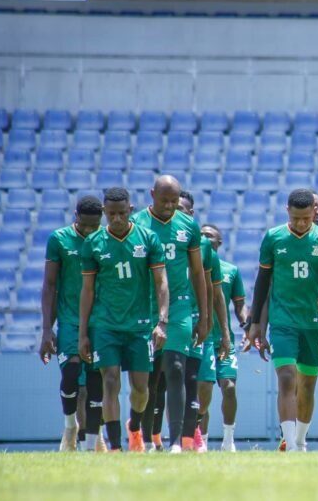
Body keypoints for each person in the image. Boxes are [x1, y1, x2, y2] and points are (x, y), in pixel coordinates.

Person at [244, 189, 318, 452]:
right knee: (287, 378)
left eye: (307, 218)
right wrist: (256, 323)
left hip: (313, 323)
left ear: (315, 213)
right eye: (297, 218)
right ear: (288, 210)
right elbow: (263, 281)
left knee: (308, 385)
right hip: (283, 322)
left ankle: (300, 439)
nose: (302, 223)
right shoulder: (274, 237)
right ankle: (289, 442)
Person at [77, 187, 169, 452]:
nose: (116, 219)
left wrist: (161, 321)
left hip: (140, 326)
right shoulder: (93, 244)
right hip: (105, 325)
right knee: (110, 381)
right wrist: (83, 333)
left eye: (121, 213)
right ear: (104, 212)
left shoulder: (148, 239)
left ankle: (135, 425)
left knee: (141, 389)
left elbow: (161, 283)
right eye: (111, 214)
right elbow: (88, 290)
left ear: (130, 211)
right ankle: (116, 447)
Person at [132, 176, 209, 453]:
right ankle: (139, 432)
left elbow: (199, 273)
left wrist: (205, 317)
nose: (169, 206)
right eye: (164, 200)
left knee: (176, 368)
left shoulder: (188, 225)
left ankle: (176, 441)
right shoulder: (137, 223)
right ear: (152, 194)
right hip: (142, 306)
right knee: (149, 379)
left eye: (174, 202)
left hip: (179, 305)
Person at [39, 195, 104, 451]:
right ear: (75, 216)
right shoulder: (59, 239)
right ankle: (70, 426)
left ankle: (94, 435)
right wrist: (46, 329)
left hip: (100, 322)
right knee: (71, 374)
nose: (89, 231)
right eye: (84, 225)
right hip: (69, 320)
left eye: (94, 226)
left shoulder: (105, 239)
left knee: (95, 381)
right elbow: (50, 285)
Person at [177, 191, 228, 452]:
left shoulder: (204, 248)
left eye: (183, 210)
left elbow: (216, 293)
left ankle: (193, 427)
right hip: (172, 321)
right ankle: (159, 435)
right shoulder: (160, 242)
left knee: (204, 384)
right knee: (168, 381)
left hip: (200, 324)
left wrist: (224, 333)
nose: (178, 213)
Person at [201, 224, 248, 451]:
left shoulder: (231, 270)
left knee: (228, 387)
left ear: (219, 242)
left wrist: (247, 326)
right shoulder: (192, 268)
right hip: (200, 339)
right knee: (204, 392)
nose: (204, 238)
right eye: (201, 234)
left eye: (209, 235)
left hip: (223, 339)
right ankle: (202, 440)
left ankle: (228, 440)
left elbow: (239, 305)